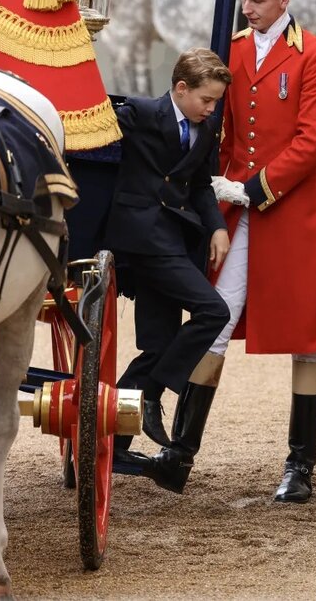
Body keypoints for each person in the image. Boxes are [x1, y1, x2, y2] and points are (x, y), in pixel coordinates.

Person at [207, 0, 316, 503]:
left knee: (307, 333)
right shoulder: (229, 48)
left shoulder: (314, 53)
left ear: (284, 0)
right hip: (234, 205)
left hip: (293, 208)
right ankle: (181, 450)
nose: (248, 7)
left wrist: (256, 187)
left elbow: (313, 140)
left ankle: (300, 464)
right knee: (215, 317)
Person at [106, 48, 232, 493]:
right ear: (181, 89)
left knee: (157, 348)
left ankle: (108, 444)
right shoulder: (139, 113)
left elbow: (198, 184)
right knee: (214, 312)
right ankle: (154, 393)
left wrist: (216, 227)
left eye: (216, 102)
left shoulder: (205, 126)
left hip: (175, 239)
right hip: (142, 238)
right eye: (207, 100)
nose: (212, 109)